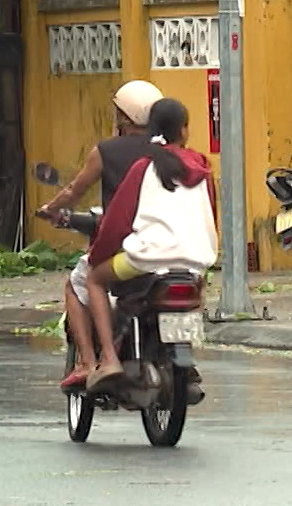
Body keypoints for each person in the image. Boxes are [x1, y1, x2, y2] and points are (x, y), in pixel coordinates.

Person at [82, 96, 218, 392]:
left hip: (145, 259)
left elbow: (118, 220)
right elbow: (211, 213)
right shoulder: (202, 166)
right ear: (184, 131)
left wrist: (99, 254)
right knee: (198, 287)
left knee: (94, 279)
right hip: (196, 257)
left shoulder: (143, 167)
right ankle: (188, 355)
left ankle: (108, 360)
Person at [40, 80, 164, 389]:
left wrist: (50, 209)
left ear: (123, 118)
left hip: (128, 250)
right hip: (173, 249)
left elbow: (74, 191)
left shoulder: (106, 152)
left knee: (79, 282)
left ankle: (91, 361)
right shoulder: (174, 152)